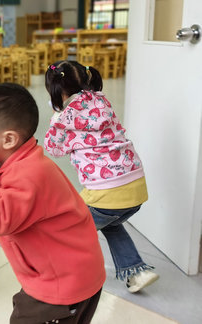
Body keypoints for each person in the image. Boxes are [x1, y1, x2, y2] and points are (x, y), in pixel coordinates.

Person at [0, 83, 105, 324]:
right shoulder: (23, 161)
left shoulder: (29, 174)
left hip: (62, 284)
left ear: (8, 139)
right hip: (70, 273)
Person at [44, 60, 159, 293]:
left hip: (107, 192)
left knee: (67, 229)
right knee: (111, 224)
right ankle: (136, 271)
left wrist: (56, 117)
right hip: (136, 187)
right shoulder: (101, 101)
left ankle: (62, 276)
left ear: (56, 91)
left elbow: (52, 148)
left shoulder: (65, 119)